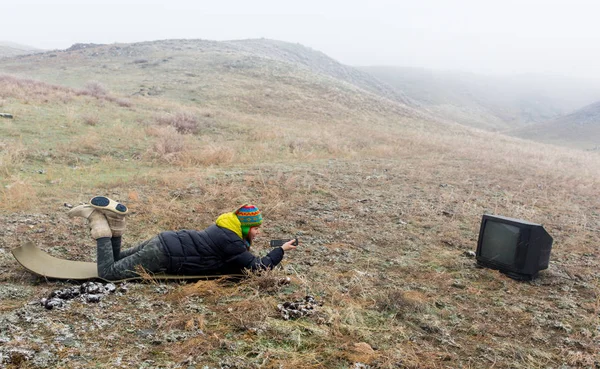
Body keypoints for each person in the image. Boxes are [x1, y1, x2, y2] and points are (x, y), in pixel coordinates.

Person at [68, 196, 298, 280]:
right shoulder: (232, 242)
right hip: (163, 254)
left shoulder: (224, 227)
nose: (258, 232)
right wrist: (281, 250)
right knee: (107, 273)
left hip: (164, 240)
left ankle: (117, 223)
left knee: (115, 258)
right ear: (245, 226)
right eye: (256, 228)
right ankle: (99, 224)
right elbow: (258, 268)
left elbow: (241, 255)